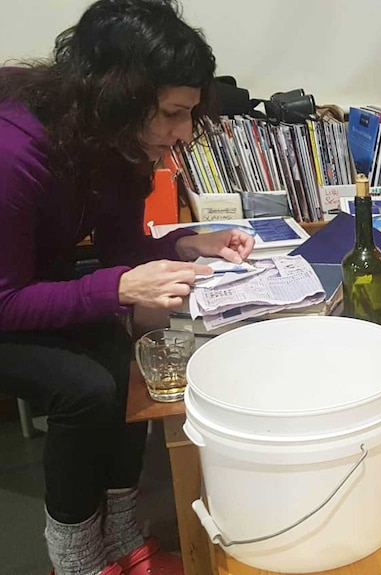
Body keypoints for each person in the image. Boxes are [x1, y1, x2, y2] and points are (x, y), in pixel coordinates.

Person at [0, 1, 254, 574]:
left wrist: (185, 245)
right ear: (118, 97)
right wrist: (115, 288)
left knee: (125, 354)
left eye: (189, 113)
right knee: (85, 387)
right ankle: (76, 561)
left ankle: (119, 537)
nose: (184, 132)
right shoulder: (14, 152)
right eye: (172, 113)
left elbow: (119, 256)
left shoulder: (114, 140)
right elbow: (8, 298)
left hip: (27, 284)